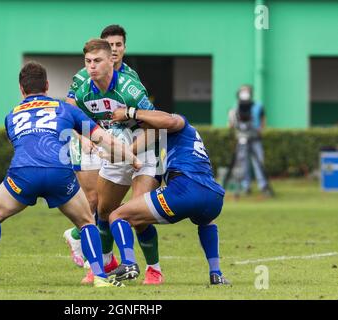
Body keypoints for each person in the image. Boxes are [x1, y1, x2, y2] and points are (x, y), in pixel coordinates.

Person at [0, 62, 140, 288]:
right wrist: (133, 159)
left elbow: (22, 143)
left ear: (21, 89)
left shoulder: (11, 115)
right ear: (47, 85)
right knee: (86, 222)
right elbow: (105, 139)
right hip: (59, 173)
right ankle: (100, 276)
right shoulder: (65, 108)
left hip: (24, 174)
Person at [71, 38, 164, 285]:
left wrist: (129, 151)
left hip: (143, 151)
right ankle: (104, 264)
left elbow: (156, 126)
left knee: (137, 214)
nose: (91, 67)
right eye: (88, 61)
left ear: (111, 60)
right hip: (115, 153)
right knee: (103, 210)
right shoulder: (84, 93)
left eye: (97, 61)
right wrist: (85, 138)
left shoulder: (129, 89)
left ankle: (153, 269)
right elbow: (80, 123)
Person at [106, 107, 230, 285]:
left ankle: (128, 263)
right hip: (213, 197)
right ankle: (216, 274)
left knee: (117, 215)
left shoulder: (178, 123)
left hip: (185, 189)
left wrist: (130, 112)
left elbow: (170, 121)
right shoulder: (181, 137)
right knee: (206, 221)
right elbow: (134, 149)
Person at [63, 25, 143, 269]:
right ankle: (90, 248)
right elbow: (70, 105)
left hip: (115, 141)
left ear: (123, 48)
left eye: (119, 45)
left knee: (107, 202)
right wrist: (83, 136)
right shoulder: (85, 75)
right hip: (88, 137)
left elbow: (142, 114)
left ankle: (86, 243)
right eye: (111, 45)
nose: (115, 49)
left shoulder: (130, 77)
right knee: (94, 199)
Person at [228, 85, 272, 196]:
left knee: (259, 161)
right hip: (242, 137)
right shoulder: (236, 107)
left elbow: (263, 118)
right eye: (242, 91)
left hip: (255, 138)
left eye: (246, 91)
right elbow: (232, 124)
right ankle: (245, 186)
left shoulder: (258, 106)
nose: (244, 93)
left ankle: (263, 186)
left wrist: (260, 129)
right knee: (243, 162)